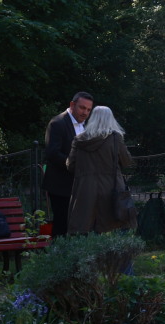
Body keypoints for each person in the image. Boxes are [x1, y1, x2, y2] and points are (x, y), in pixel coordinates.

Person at [66, 105, 135, 235]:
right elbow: (126, 161)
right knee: (117, 223)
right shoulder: (115, 138)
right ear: (111, 119)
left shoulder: (79, 140)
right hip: (112, 187)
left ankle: (88, 254)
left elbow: (70, 165)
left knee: (85, 228)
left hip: (85, 189)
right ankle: (118, 253)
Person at [43, 92, 94, 237]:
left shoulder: (86, 125)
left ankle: (80, 258)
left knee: (82, 226)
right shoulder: (57, 123)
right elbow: (52, 154)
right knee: (62, 226)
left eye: (88, 110)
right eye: (82, 108)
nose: (85, 112)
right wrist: (76, 164)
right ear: (72, 105)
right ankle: (59, 258)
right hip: (61, 186)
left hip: (81, 185)